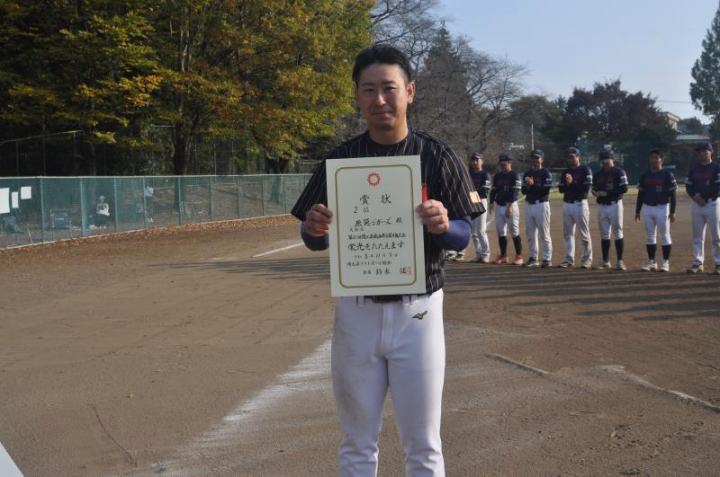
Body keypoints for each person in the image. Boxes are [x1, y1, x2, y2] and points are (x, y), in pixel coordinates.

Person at [291, 44, 484, 476]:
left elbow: (464, 234)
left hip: (418, 312)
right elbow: (313, 238)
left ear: (409, 91)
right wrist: (313, 229)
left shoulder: (437, 156)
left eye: (389, 88)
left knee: (424, 444)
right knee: (357, 443)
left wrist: (443, 225)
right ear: (357, 96)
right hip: (356, 312)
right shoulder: (340, 160)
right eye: (369, 89)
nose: (379, 99)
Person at [635, 149, 677, 272]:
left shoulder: (667, 175)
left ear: (661, 160)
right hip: (648, 207)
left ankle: (665, 262)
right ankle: (652, 262)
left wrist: (672, 211)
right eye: (651, 157)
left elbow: (673, 194)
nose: (653, 160)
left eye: (656, 157)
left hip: (662, 207)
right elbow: (641, 194)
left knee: (664, 235)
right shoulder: (645, 175)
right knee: (650, 236)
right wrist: (637, 210)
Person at [686, 142, 720, 274]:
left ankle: (718, 263)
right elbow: (689, 185)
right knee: (697, 235)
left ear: (711, 152)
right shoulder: (694, 169)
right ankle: (698, 262)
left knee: (716, 235)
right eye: (700, 151)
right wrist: (695, 196)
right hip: (697, 204)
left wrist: (703, 197)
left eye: (705, 151)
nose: (702, 153)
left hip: (712, 203)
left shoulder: (716, 168)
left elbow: (718, 187)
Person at [591, 149, 628, 270]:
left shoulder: (619, 172)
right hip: (602, 206)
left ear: (612, 159)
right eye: (603, 161)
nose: (605, 163)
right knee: (604, 234)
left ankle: (620, 261)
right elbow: (594, 188)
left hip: (615, 205)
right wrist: (595, 192)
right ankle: (606, 261)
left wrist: (607, 193)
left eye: (607, 160)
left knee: (618, 232)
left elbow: (624, 188)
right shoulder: (598, 174)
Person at [558, 146, 593, 268]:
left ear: (578, 157)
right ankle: (568, 259)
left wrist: (572, 183)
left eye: (572, 156)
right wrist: (568, 184)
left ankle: (586, 260)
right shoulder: (565, 172)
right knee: (568, 234)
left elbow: (585, 189)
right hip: (567, 203)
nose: (570, 159)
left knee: (584, 233)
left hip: (580, 204)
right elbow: (561, 189)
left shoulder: (585, 170)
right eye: (569, 157)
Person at [521, 149, 553, 268]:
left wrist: (532, 185)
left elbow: (545, 190)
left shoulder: (546, 173)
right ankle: (533, 258)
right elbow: (523, 191)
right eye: (534, 158)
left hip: (541, 204)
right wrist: (528, 186)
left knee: (544, 233)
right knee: (530, 234)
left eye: (537, 158)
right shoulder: (528, 173)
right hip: (529, 204)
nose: (535, 160)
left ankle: (547, 258)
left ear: (542, 160)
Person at [489, 154, 523, 265]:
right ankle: (503, 256)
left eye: (504, 164)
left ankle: (519, 256)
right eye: (501, 164)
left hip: (511, 205)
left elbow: (515, 193)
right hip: (499, 205)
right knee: (501, 231)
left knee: (514, 230)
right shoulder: (498, 176)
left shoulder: (515, 175)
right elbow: (494, 190)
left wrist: (509, 207)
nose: (502, 166)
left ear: (510, 163)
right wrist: (491, 203)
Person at [468, 152, 492, 263]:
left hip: (481, 201)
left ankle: (486, 254)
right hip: (472, 201)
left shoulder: (485, 174)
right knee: (473, 231)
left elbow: (485, 190)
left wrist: (473, 193)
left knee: (481, 230)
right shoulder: (470, 174)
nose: (475, 162)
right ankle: (478, 254)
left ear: (482, 161)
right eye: (473, 160)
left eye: (477, 160)